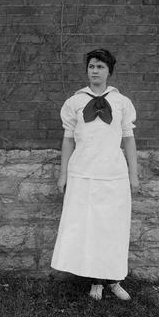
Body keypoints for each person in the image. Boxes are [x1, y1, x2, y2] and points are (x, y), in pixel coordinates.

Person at [51, 48, 139, 301]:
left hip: (113, 174)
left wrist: (133, 174)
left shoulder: (122, 103)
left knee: (112, 228)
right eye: (91, 66)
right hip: (83, 174)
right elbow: (68, 140)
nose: (95, 71)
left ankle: (114, 280)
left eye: (100, 66)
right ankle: (95, 282)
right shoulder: (75, 102)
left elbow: (129, 140)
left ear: (109, 71)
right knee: (88, 228)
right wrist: (63, 173)